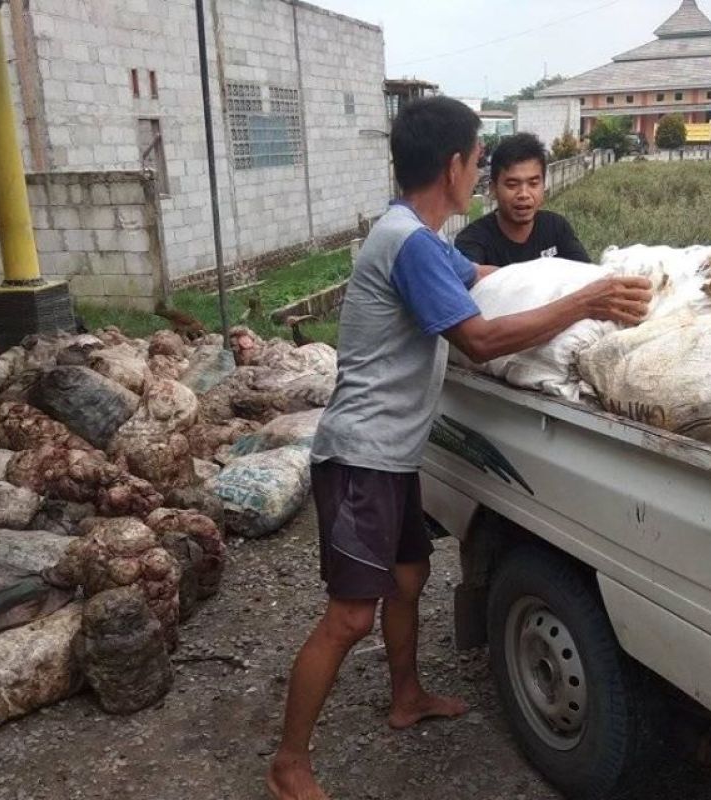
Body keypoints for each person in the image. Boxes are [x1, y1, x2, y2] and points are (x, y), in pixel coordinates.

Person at [266, 97, 652, 800]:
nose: (483, 175)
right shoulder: (408, 244)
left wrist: (572, 280)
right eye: (480, 162)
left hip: (391, 457)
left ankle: (406, 695)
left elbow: (483, 280)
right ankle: (289, 767)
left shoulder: (419, 236)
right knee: (350, 615)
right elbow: (477, 337)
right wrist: (584, 304)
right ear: (454, 165)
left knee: (410, 576)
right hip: (360, 460)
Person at [455, 132, 591, 267]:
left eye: (533, 183)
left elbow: (589, 277)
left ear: (544, 185)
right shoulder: (472, 240)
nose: (524, 194)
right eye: (512, 185)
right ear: (493, 189)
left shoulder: (556, 227)